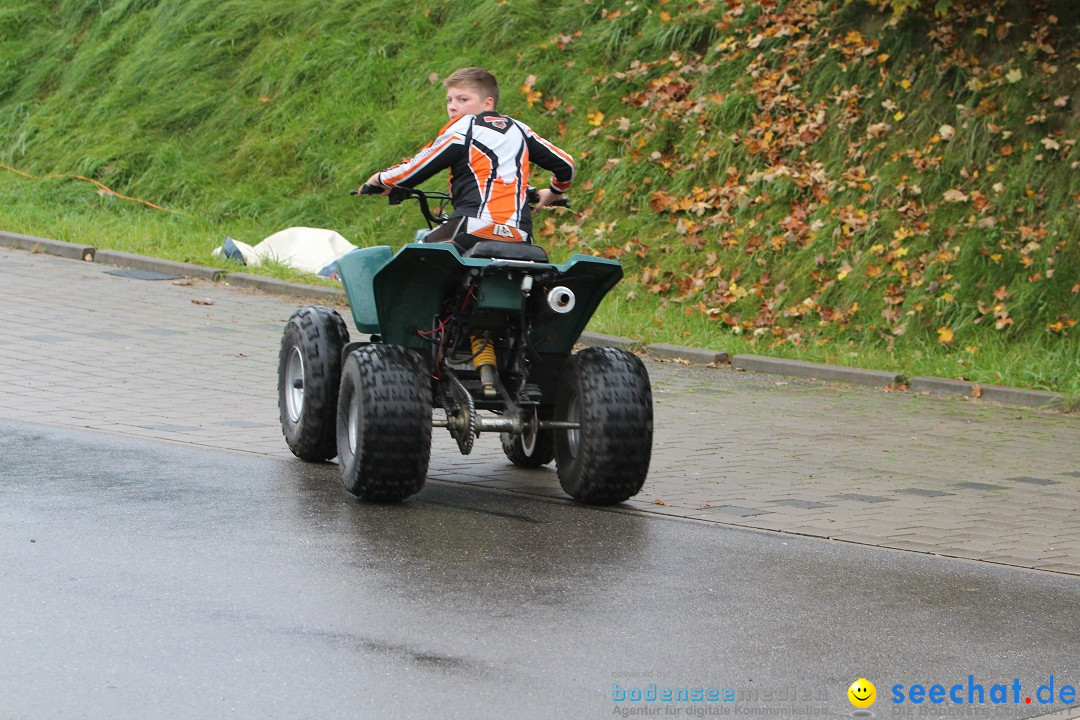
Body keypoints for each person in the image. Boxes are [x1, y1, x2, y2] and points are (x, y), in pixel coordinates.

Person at [362, 67, 575, 248]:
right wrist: (556, 191)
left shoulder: (463, 128)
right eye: (449, 100)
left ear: (487, 104)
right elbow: (566, 165)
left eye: (463, 99)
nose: (453, 106)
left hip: (473, 227)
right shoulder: (520, 130)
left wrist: (380, 179)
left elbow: (415, 168)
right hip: (520, 235)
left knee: (419, 246)